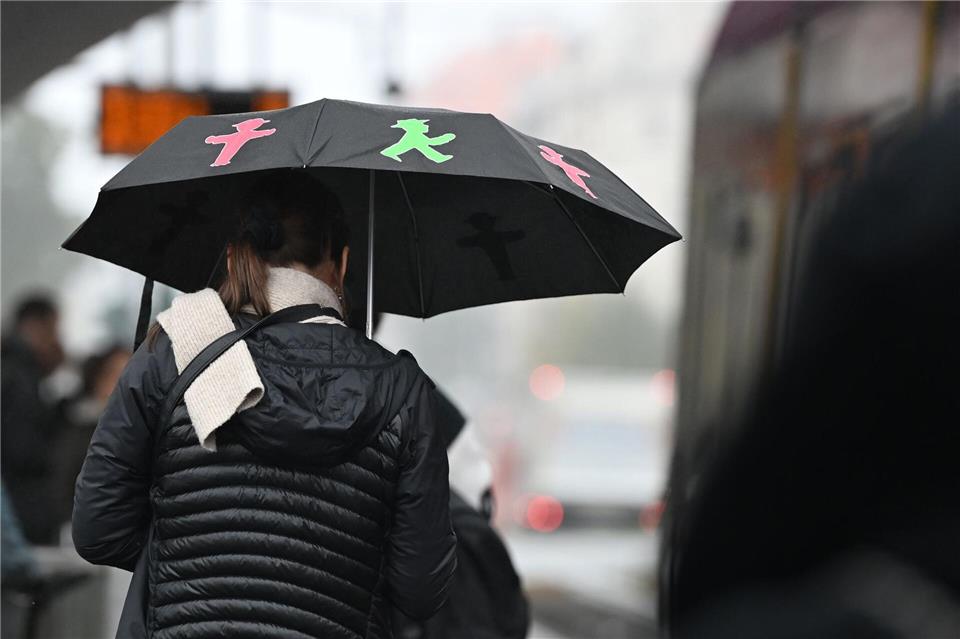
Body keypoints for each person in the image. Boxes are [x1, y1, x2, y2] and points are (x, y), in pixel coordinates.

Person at [72, 170, 457, 639]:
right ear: (341, 262)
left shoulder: (176, 352)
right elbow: (420, 590)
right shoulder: (402, 392)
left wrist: (190, 556)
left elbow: (97, 528)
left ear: (234, 257)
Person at [1, 294, 65, 544]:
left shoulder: (19, 371)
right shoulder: (19, 377)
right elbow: (24, 450)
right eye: (53, 330)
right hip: (22, 511)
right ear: (34, 326)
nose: (57, 341)